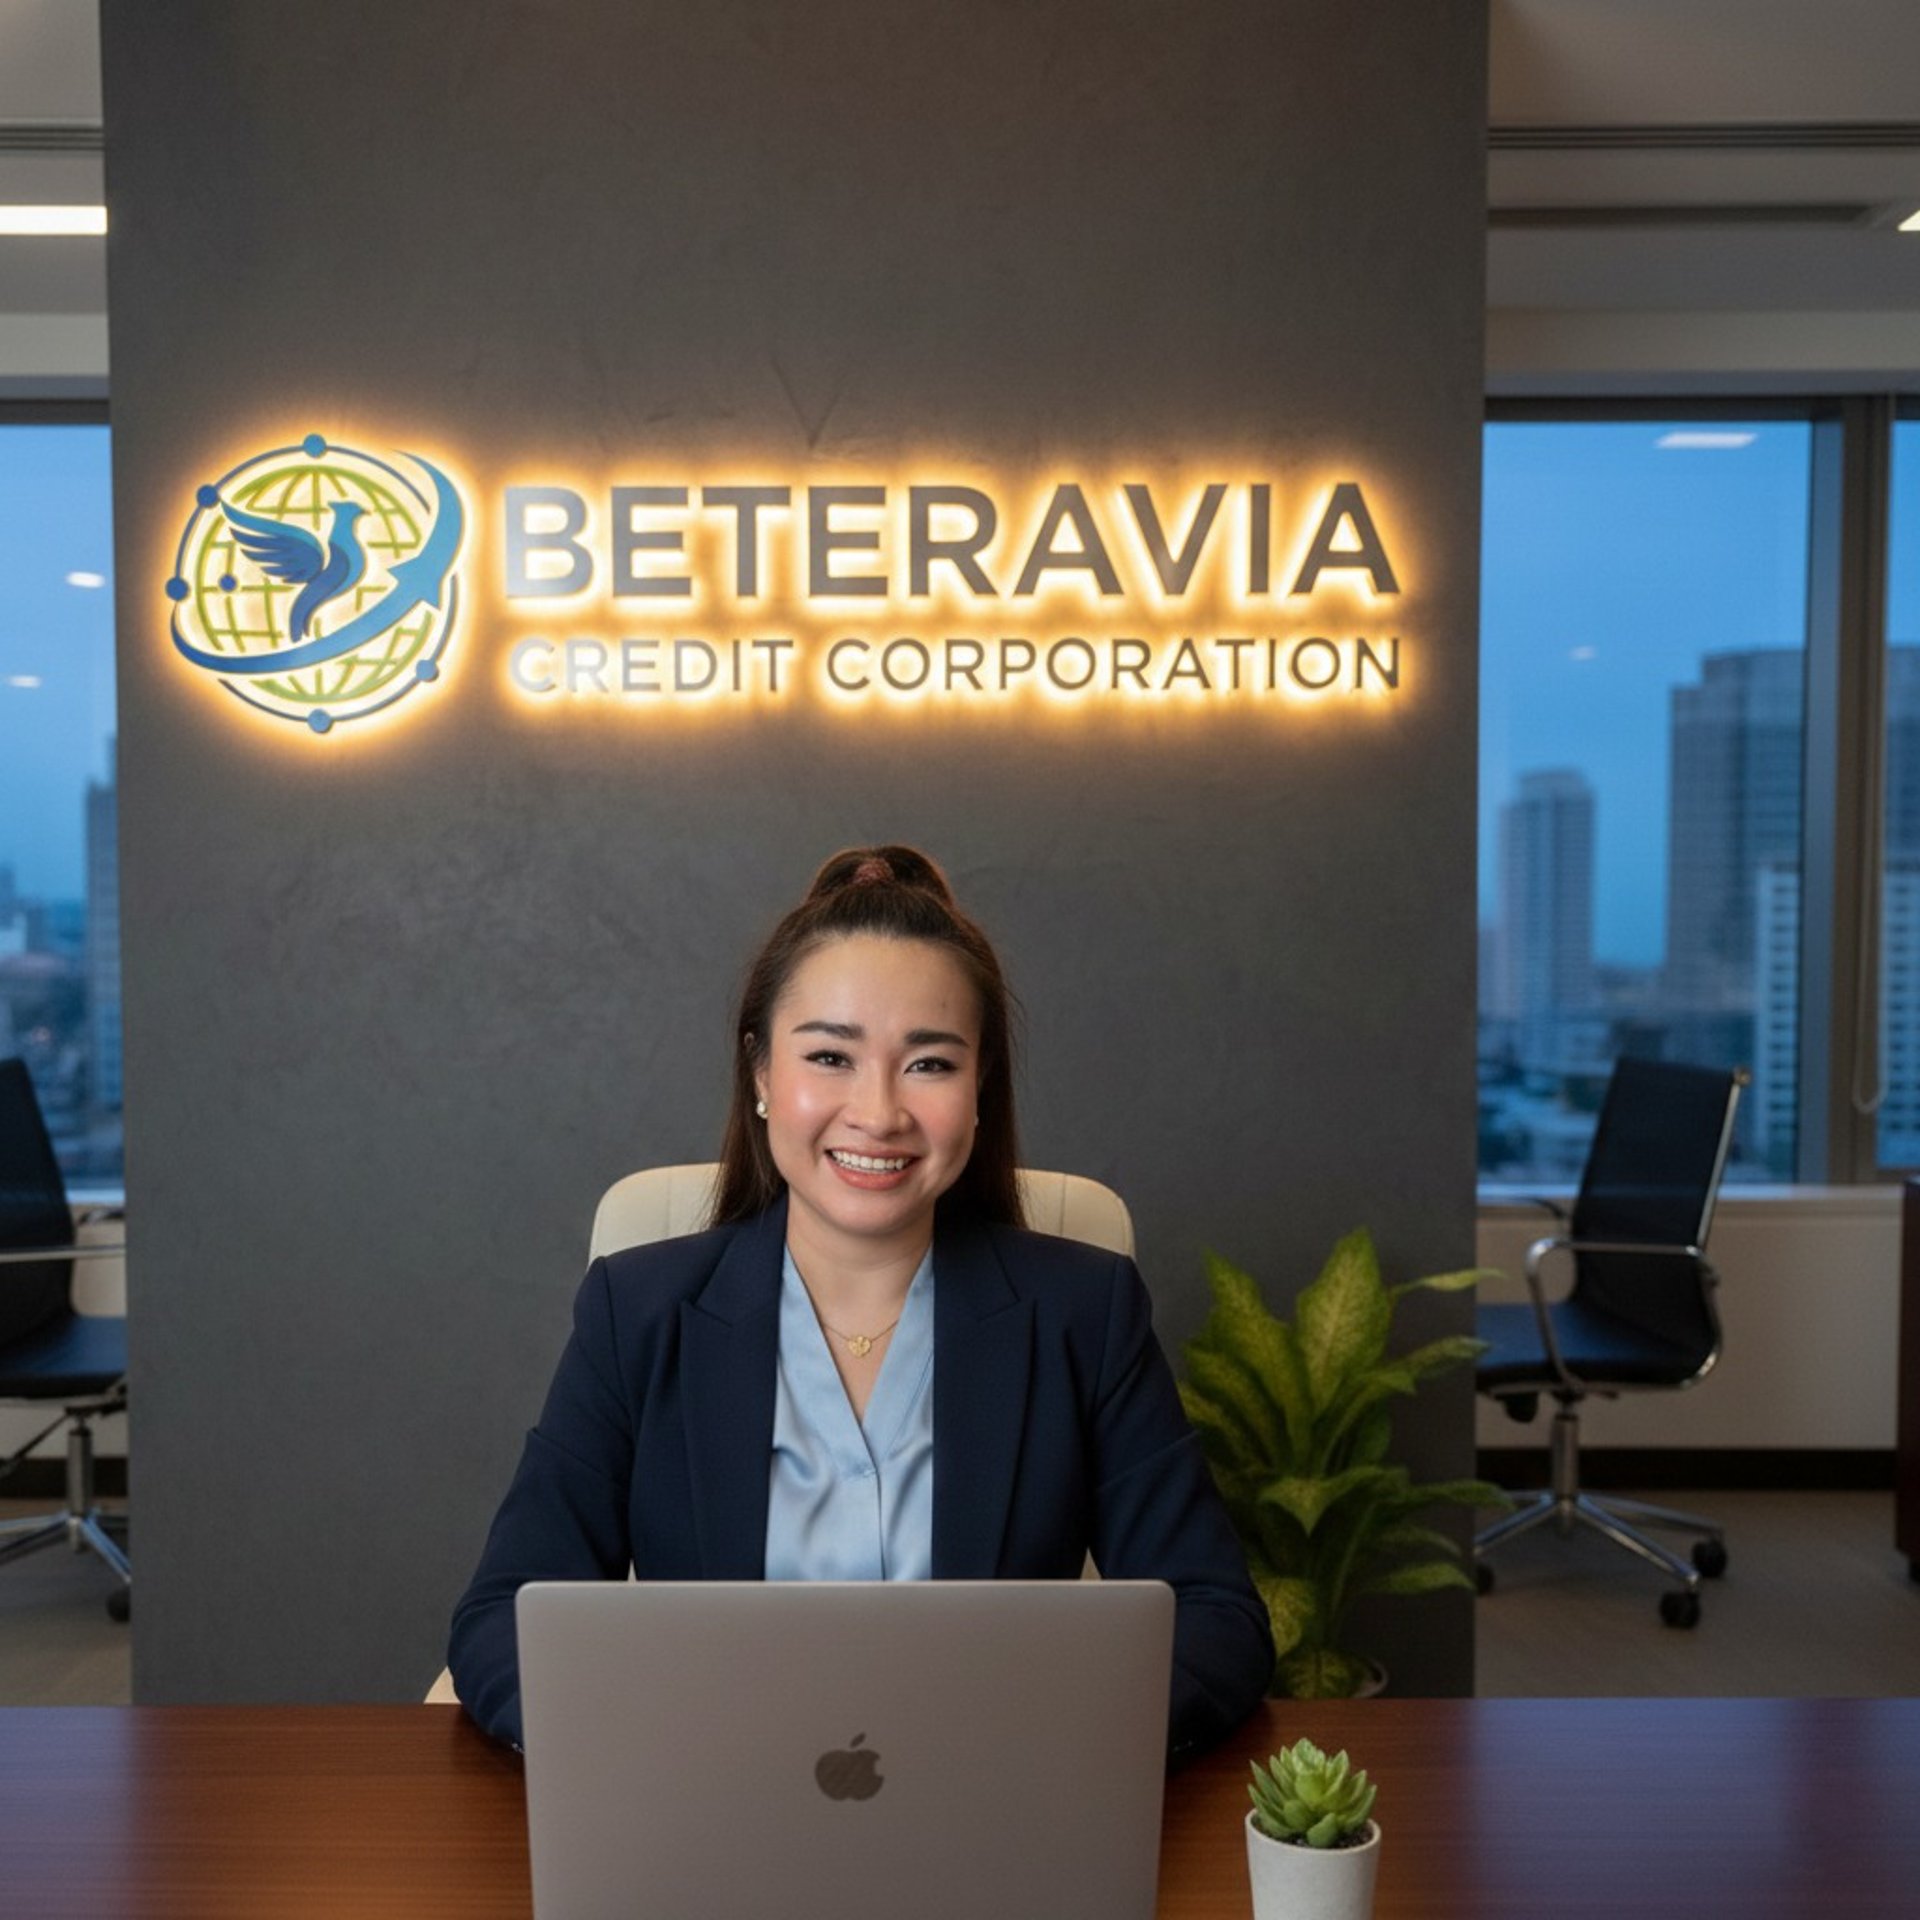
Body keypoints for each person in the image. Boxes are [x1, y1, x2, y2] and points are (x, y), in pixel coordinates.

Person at [448, 845, 1273, 1759]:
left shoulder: (1084, 1312)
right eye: (831, 1056)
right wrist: (641, 1749)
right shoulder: (636, 1313)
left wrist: (1043, 1748)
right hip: (710, 1807)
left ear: (981, 1083)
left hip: (991, 1817)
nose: (878, 1112)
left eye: (928, 1064)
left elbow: (1217, 1622)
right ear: (761, 1074)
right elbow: (501, 1617)